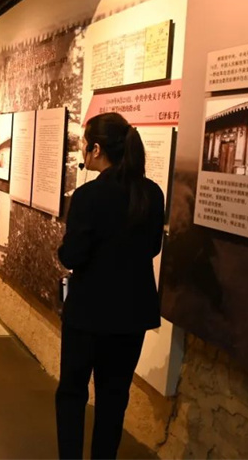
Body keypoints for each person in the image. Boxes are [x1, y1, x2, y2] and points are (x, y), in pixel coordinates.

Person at [55, 113, 164, 459]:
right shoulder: (151, 193)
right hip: (132, 315)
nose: (83, 152)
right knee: (114, 398)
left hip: (88, 313)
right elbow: (152, 248)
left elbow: (73, 255)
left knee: (73, 393)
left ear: (97, 149)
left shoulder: (89, 195)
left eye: (85, 146)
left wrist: (64, 249)